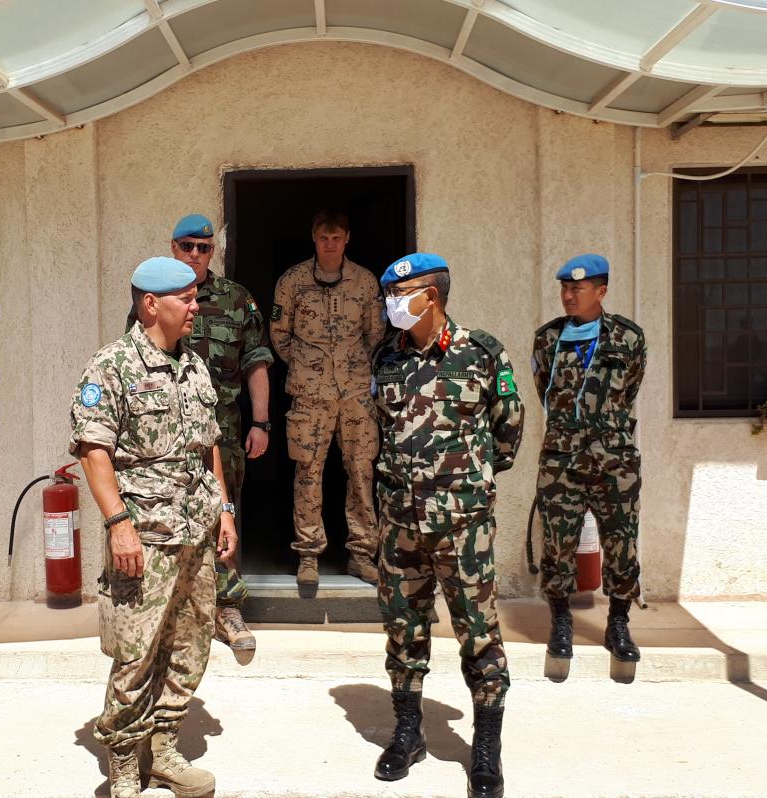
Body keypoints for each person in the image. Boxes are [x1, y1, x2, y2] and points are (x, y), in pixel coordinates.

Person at [76, 256, 239, 798]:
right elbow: (93, 451)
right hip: (144, 538)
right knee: (137, 651)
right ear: (151, 304)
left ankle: (164, 750)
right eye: (185, 299)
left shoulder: (194, 367)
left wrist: (225, 510)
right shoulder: (112, 366)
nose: (196, 307)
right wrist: (118, 523)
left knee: (190, 645)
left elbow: (209, 446)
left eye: (196, 298)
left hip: (195, 534)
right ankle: (124, 764)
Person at [370, 253, 522, 798]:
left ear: (430, 296)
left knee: (478, 635)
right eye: (390, 294)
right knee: (403, 631)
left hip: (463, 527)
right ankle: (408, 732)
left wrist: (467, 484)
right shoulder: (386, 356)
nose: (391, 302)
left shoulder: (481, 352)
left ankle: (485, 748)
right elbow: (382, 429)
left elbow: (508, 431)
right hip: (400, 522)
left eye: (400, 293)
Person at [126, 213, 271, 661]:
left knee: (223, 516)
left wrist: (261, 423)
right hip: (165, 437)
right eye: (187, 246)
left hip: (221, 433)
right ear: (174, 248)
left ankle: (227, 607)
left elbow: (256, 361)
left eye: (203, 248)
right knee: (169, 516)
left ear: (213, 252)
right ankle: (180, 606)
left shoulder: (237, 299)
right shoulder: (155, 298)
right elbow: (135, 364)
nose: (194, 254)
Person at [531, 253, 647, 681]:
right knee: (557, 544)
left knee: (622, 542)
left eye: (577, 289)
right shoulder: (547, 339)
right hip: (562, 458)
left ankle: (618, 623)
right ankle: (561, 622)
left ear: (601, 291)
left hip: (615, 459)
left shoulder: (628, 337)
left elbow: (629, 389)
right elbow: (544, 389)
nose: (568, 295)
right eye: (564, 288)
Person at [270, 210, 385, 586]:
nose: (330, 245)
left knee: (361, 471)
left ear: (347, 238)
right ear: (314, 238)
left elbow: (375, 335)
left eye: (337, 238)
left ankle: (362, 553)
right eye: (324, 238)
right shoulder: (292, 281)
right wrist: (308, 366)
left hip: (355, 393)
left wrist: (352, 367)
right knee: (307, 472)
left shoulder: (365, 282)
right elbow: (279, 334)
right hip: (310, 393)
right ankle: (308, 554)